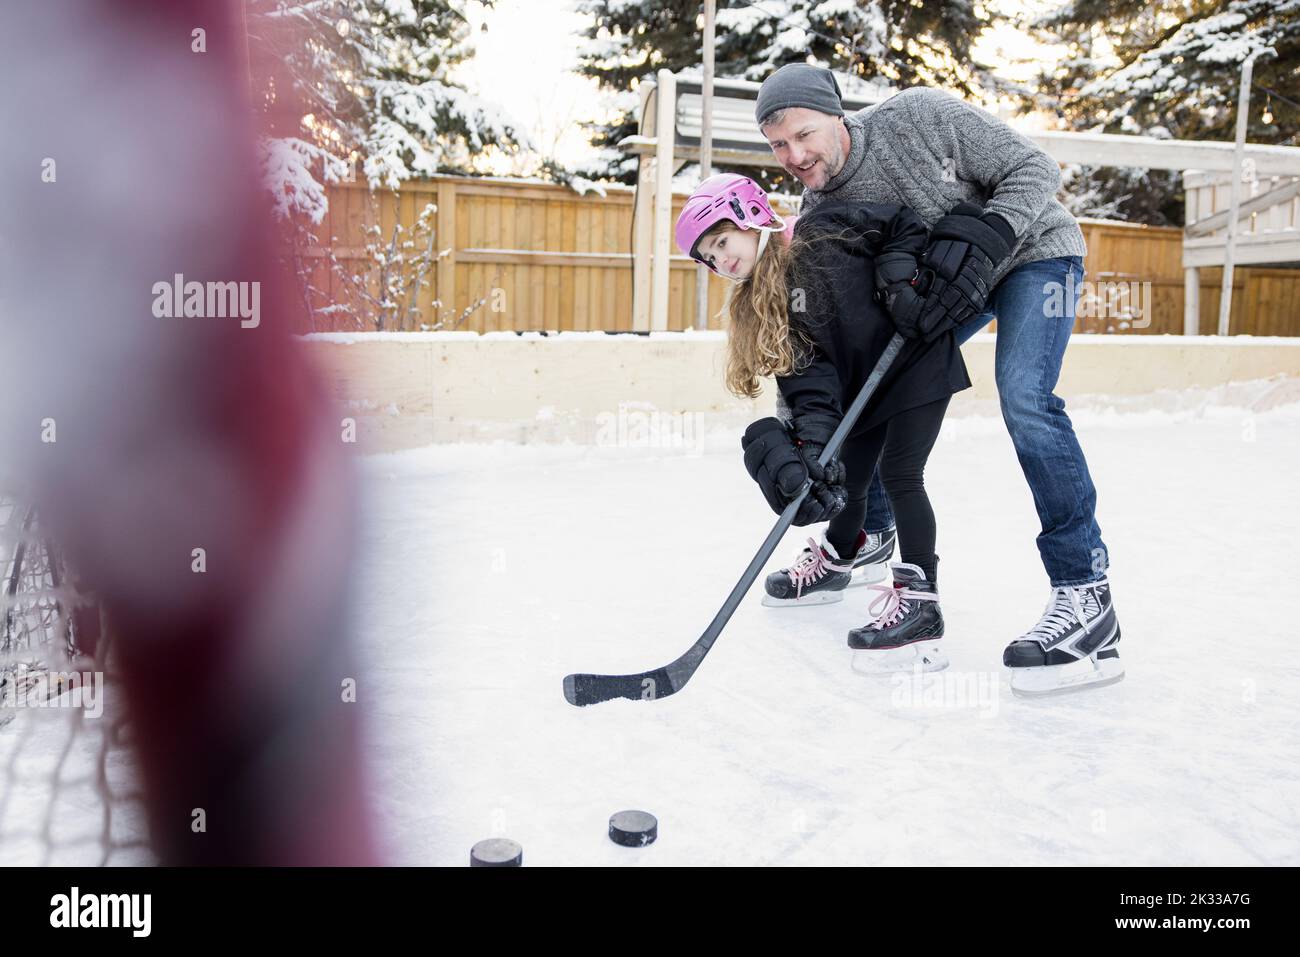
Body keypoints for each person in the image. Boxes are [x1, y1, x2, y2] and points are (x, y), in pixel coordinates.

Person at [753, 63, 1122, 694]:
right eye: (778, 145)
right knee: (882, 372)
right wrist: (806, 437)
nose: (795, 155)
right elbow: (838, 337)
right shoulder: (821, 207)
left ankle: (1088, 601)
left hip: (1035, 254)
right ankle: (869, 535)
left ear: (837, 117)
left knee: (1026, 397)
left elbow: (1035, 170)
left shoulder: (918, 118)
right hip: (951, 290)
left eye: (804, 135)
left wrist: (987, 238)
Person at [676, 173, 968, 672]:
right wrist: (813, 445)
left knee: (900, 476)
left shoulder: (826, 227)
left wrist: (901, 274)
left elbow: (901, 224)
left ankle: (921, 604)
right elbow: (809, 380)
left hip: (915, 360)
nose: (721, 260)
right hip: (865, 391)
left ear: (750, 216)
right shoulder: (764, 305)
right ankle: (837, 561)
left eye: (722, 241)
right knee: (848, 481)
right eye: (710, 257)